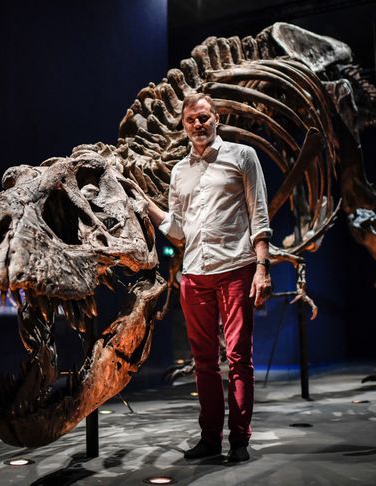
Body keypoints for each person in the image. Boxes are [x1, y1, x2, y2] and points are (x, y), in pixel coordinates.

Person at [139, 93, 273, 462]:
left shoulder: (243, 156)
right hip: (195, 274)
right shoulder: (180, 171)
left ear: (217, 118)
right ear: (183, 126)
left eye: (203, 117)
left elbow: (259, 217)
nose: (197, 124)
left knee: (238, 356)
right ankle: (210, 438)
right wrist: (145, 204)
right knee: (203, 360)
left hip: (236, 268)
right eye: (190, 120)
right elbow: (178, 232)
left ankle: (240, 439)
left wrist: (262, 268)